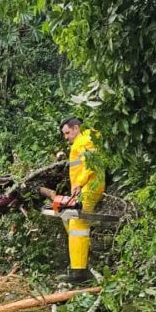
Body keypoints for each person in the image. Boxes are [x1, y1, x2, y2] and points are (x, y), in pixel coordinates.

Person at [55, 117, 104, 283]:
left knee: (78, 223)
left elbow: (90, 165)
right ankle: (79, 265)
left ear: (76, 128)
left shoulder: (85, 140)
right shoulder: (81, 141)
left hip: (89, 187)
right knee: (71, 220)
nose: (66, 137)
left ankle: (79, 272)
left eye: (67, 132)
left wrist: (79, 184)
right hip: (85, 188)